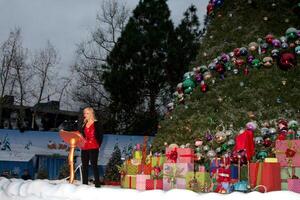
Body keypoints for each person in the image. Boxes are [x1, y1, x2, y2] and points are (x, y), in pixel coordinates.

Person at [80, 107, 103, 188]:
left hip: (94, 146)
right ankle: (84, 184)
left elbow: (100, 136)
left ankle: (97, 185)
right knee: (84, 166)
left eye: (86, 113)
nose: (85, 115)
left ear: (91, 114)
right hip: (85, 146)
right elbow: (81, 135)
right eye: (84, 113)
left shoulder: (97, 123)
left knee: (94, 165)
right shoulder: (84, 123)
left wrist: (98, 146)